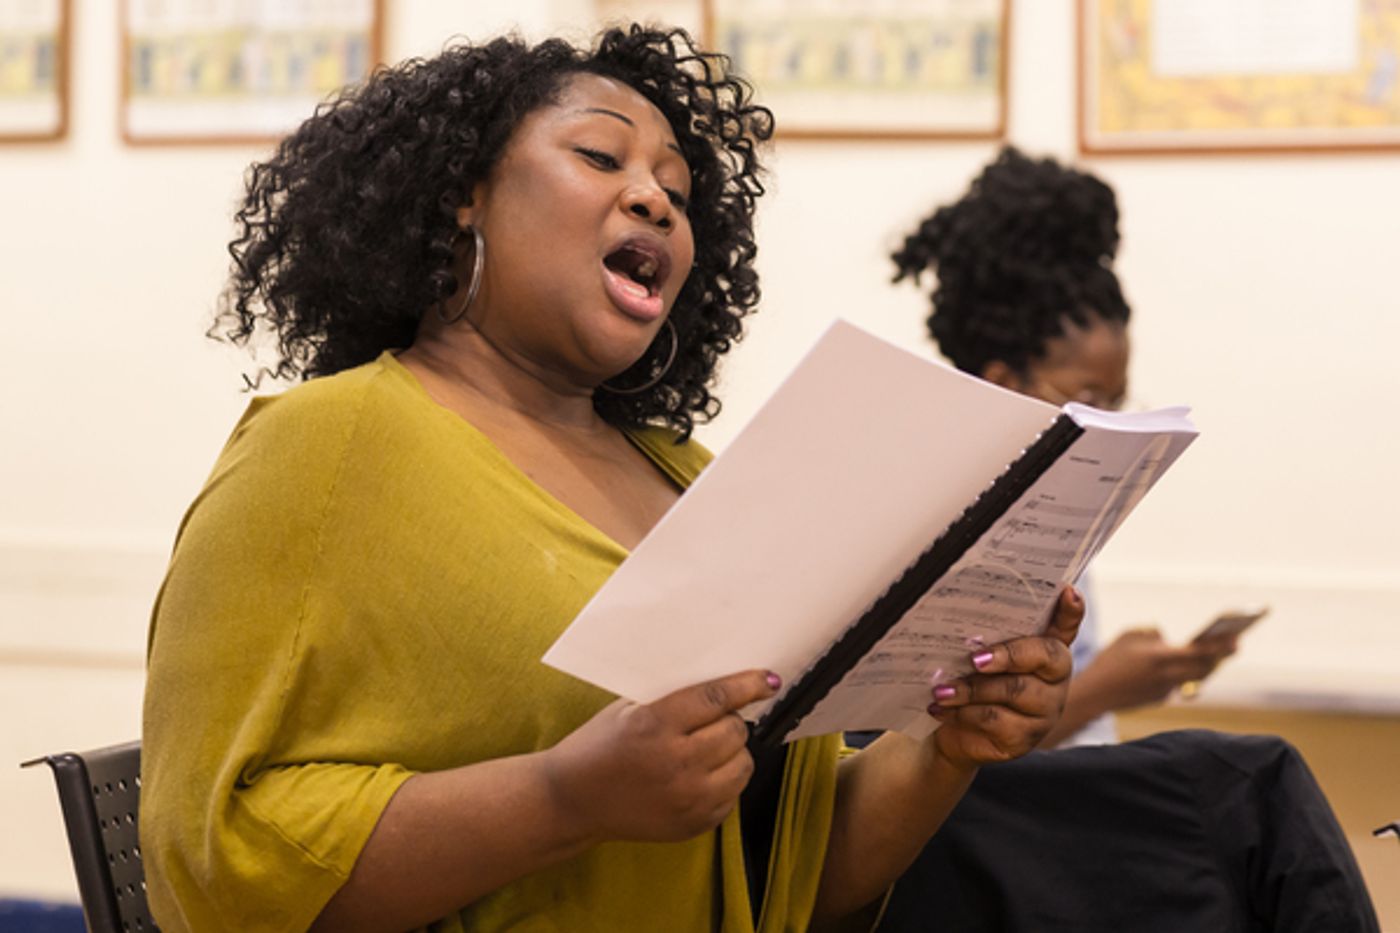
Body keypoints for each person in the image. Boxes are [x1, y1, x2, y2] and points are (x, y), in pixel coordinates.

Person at [140, 31, 1084, 933]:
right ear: (464, 194)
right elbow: (215, 862)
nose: (656, 200)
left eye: (675, 188)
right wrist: (565, 796)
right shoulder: (324, 444)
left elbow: (788, 874)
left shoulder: (687, 476)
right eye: (601, 157)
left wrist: (949, 741)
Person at [869, 146, 1379, 931]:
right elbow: (928, 738)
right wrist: (1103, 684)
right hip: (979, 827)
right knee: (1256, 784)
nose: (1113, 416)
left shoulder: (1067, 508)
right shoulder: (934, 513)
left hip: (1061, 799)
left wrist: (1120, 678)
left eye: (1120, 396)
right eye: (1089, 397)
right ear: (1004, 381)